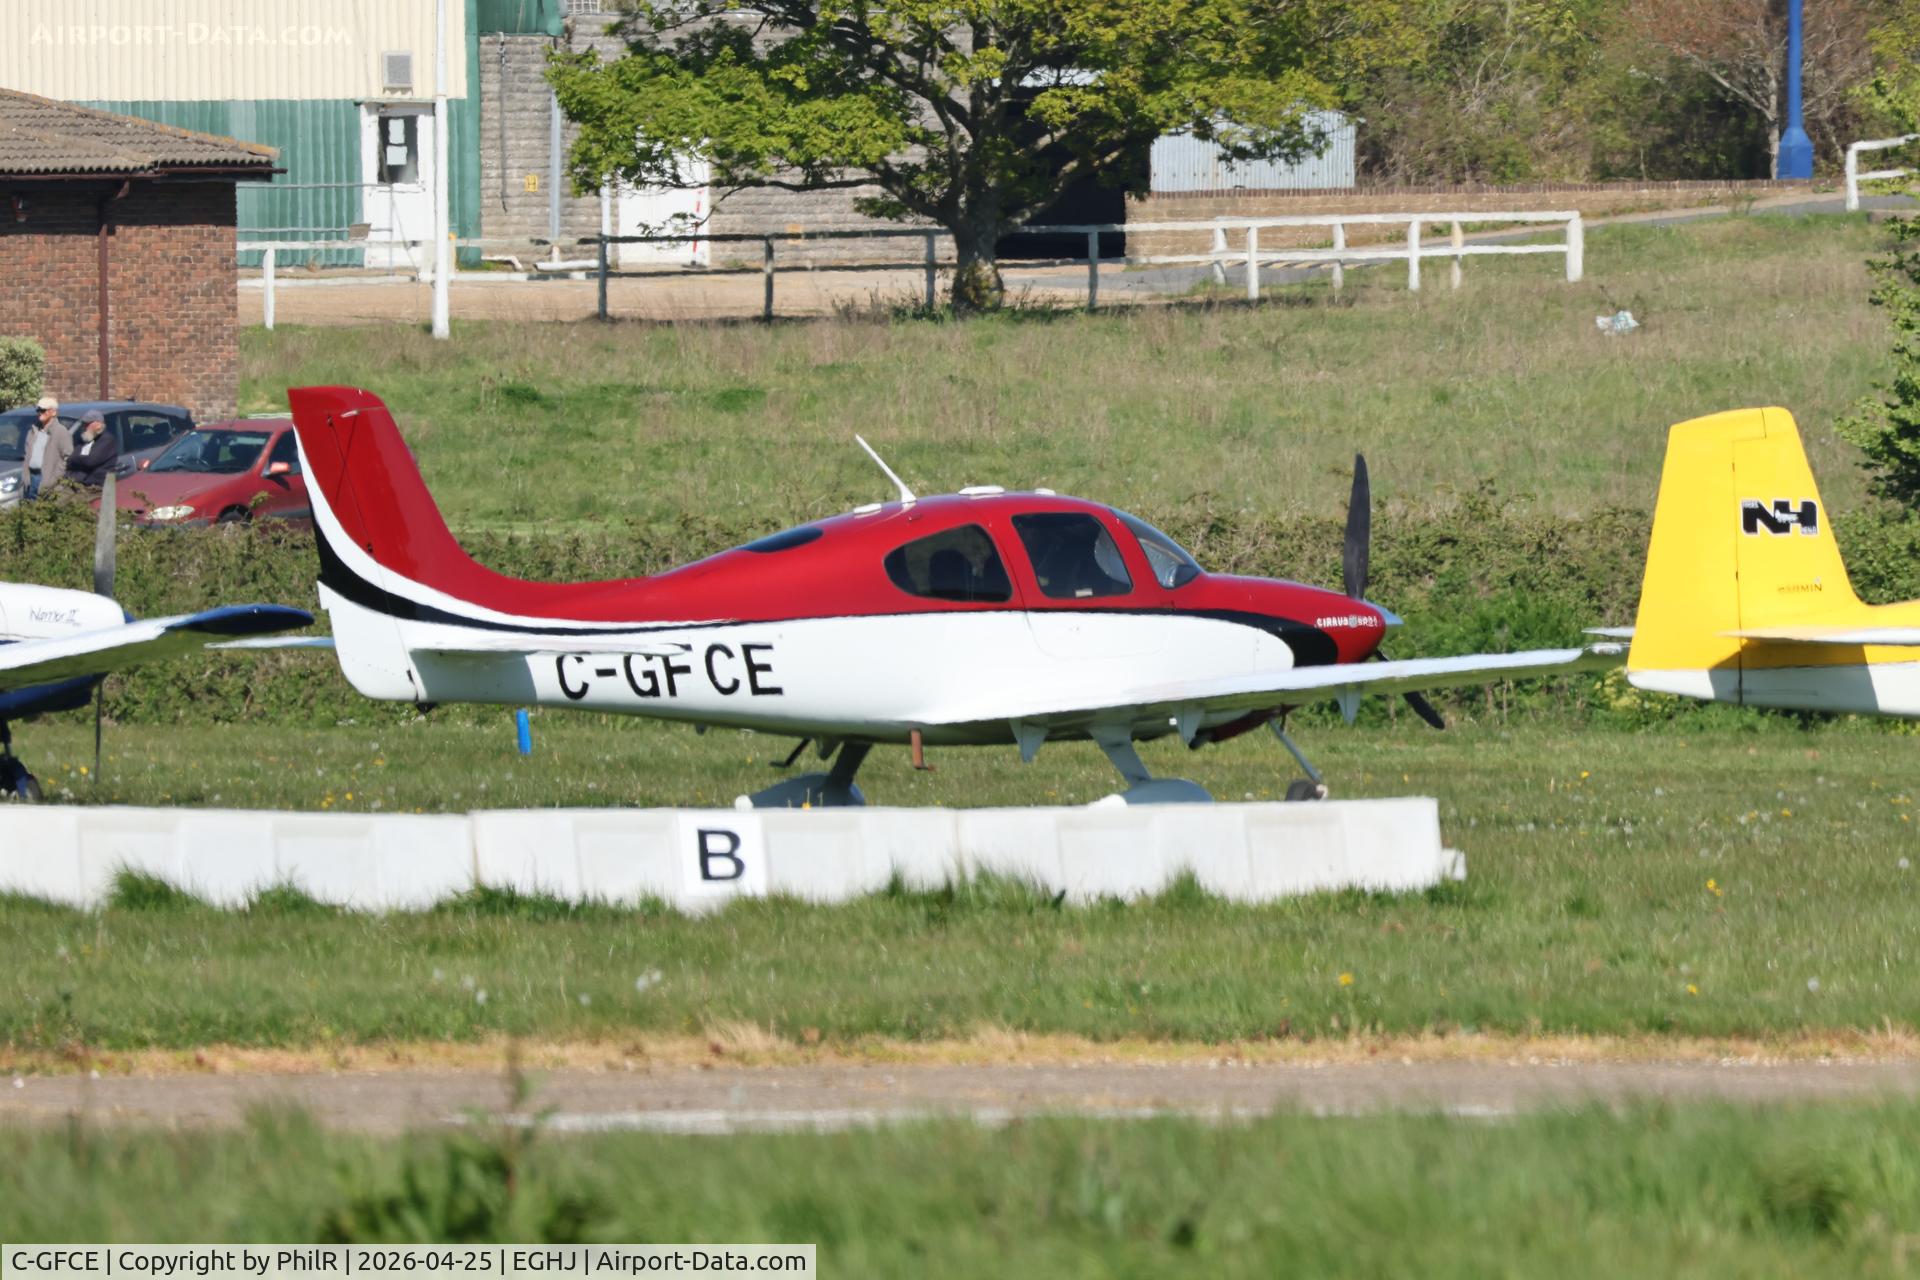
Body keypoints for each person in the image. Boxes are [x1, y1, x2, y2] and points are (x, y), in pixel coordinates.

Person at [21, 395, 72, 500]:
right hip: (31, 478)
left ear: (53, 412)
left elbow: (68, 458)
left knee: (43, 513)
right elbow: (27, 455)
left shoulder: (60, 431)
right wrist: (25, 476)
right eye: (38, 409)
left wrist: (53, 478)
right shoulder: (33, 431)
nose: (40, 412)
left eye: (43, 410)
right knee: (29, 512)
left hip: (47, 480)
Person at [67, 409, 119, 487]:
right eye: (84, 424)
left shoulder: (107, 440)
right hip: (80, 482)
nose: (84, 427)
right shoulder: (84, 439)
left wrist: (75, 459)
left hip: (97, 486)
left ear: (98, 424)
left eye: (87, 424)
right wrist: (76, 459)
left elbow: (90, 460)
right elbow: (71, 457)